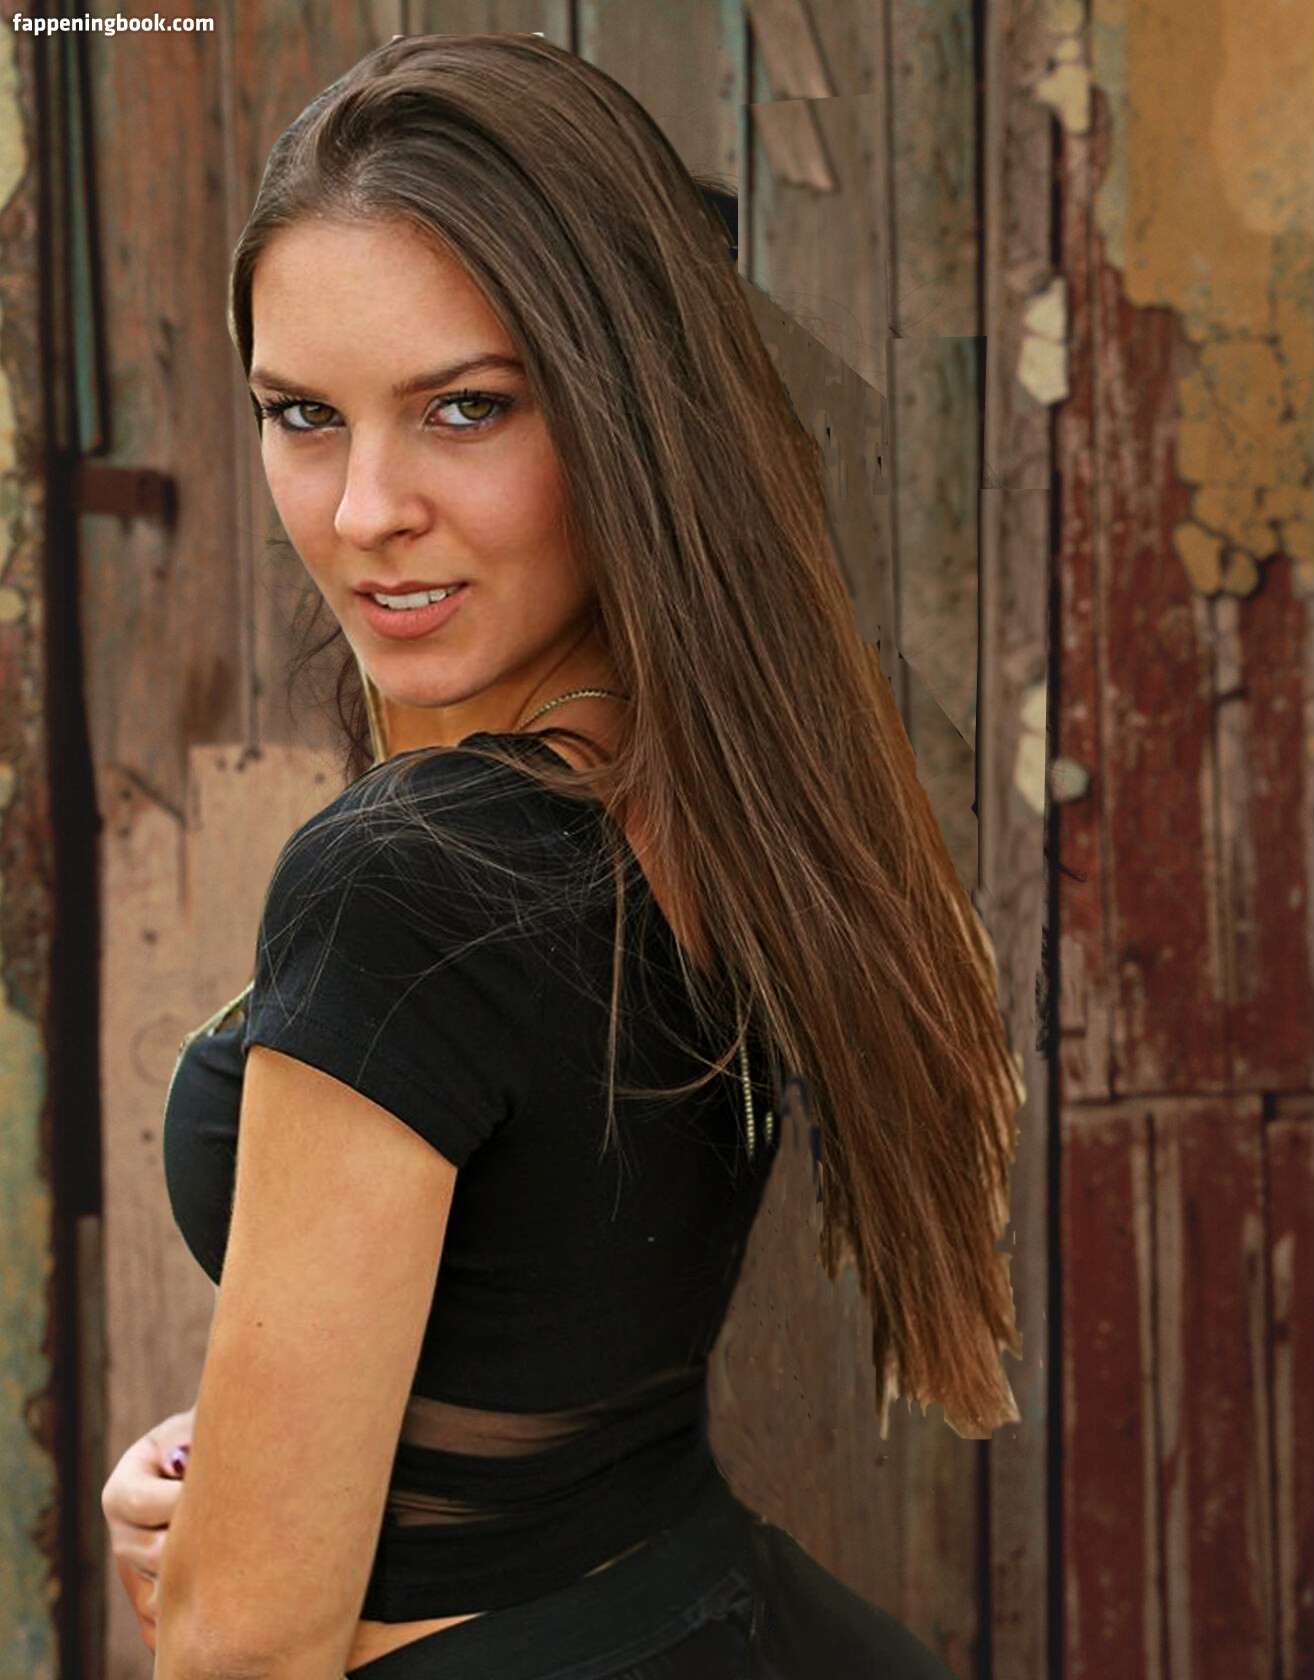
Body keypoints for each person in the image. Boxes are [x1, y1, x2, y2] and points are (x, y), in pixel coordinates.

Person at [101, 32, 1023, 1679]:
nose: (363, 509)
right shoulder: (717, 769)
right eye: (301, 415)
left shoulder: (412, 876)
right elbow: (545, 1287)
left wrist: (221, 1575)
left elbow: (244, 1647)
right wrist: (251, 1472)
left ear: (626, 406)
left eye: (464, 408)